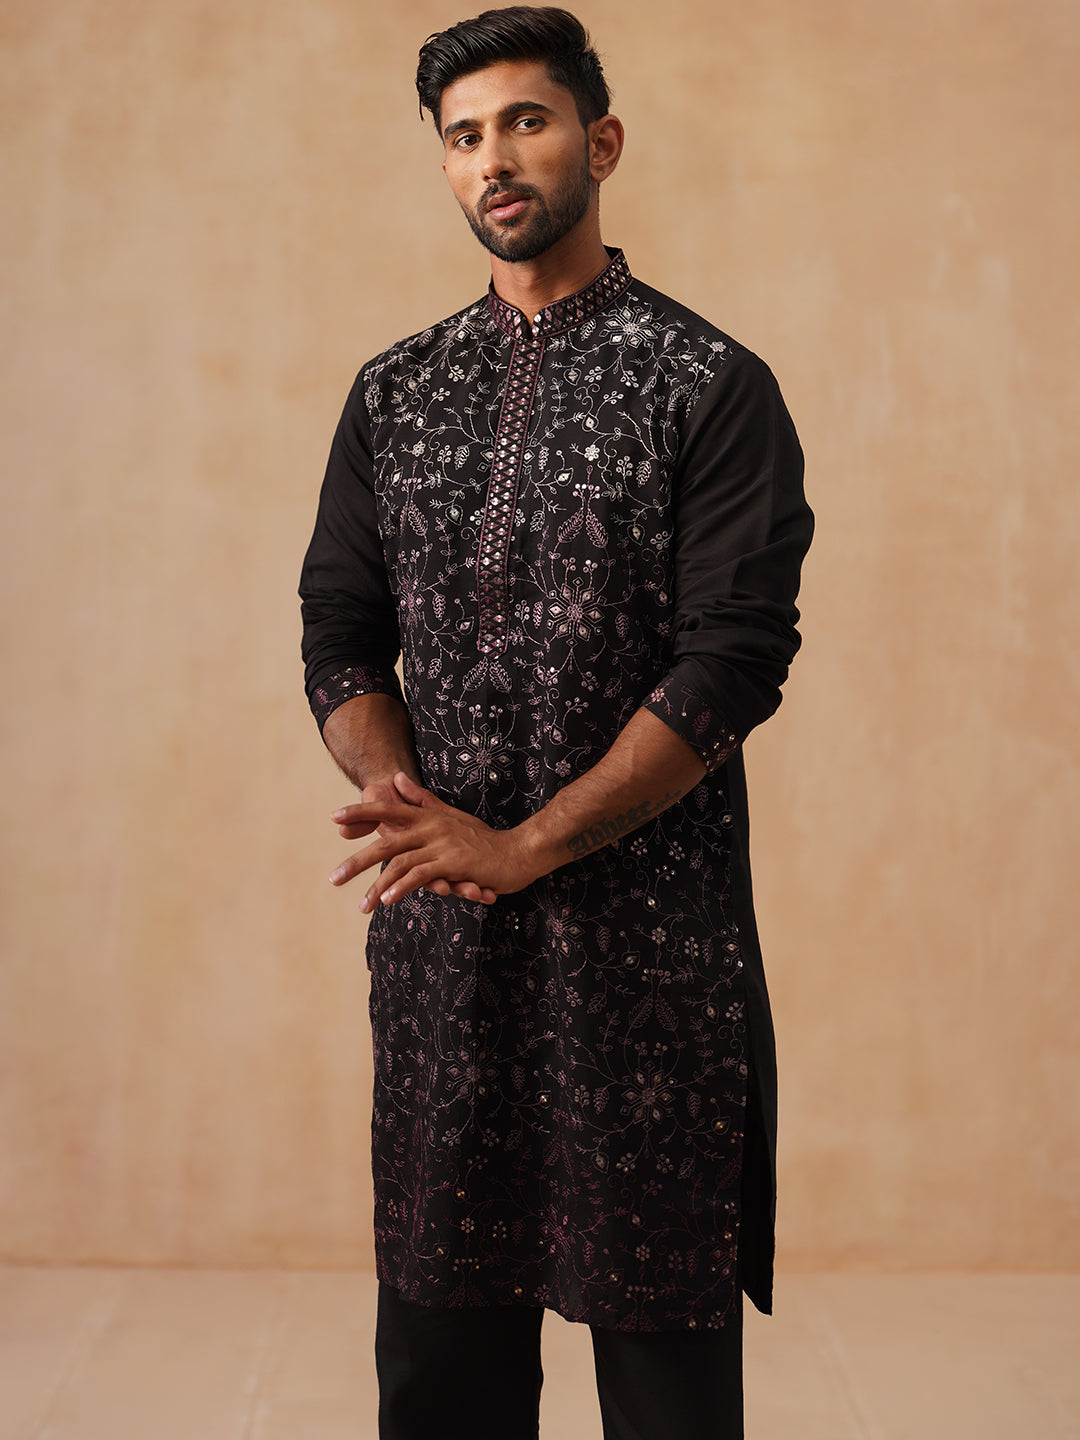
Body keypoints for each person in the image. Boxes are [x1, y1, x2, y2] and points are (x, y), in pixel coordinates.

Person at [299, 8, 813, 1437]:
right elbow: (339, 629)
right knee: (442, 1373)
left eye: (525, 121)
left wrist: (523, 844)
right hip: (446, 959)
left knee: (664, 1387)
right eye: (463, 136)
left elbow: (731, 662)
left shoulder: (708, 383)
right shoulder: (397, 393)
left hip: (650, 956)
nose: (494, 159)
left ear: (602, 141)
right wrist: (408, 803)